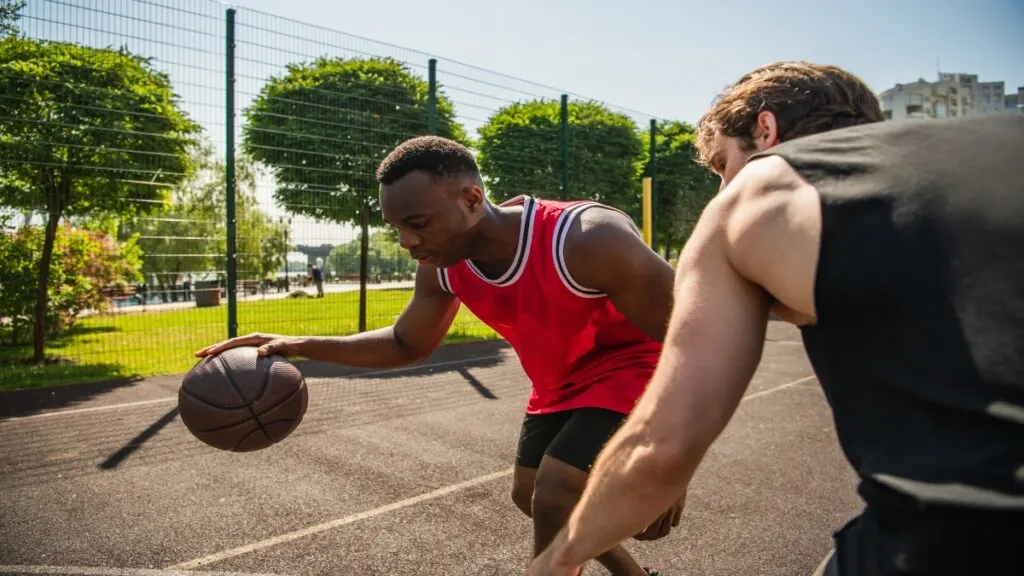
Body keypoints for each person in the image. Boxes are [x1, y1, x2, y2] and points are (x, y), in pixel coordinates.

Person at [526, 61, 1024, 576]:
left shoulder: (761, 191)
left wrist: (558, 561)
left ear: (765, 131)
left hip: (958, 537)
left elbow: (662, 445)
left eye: (722, 165)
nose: (722, 190)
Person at [195, 135, 684, 575]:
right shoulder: (441, 266)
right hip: (559, 384)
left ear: (472, 199)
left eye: (418, 223)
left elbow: (694, 334)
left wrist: (671, 456)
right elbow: (408, 343)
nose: (408, 241)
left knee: (555, 493)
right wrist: (294, 345)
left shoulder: (585, 238)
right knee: (530, 495)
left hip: (638, 367)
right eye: (397, 228)